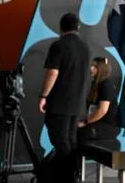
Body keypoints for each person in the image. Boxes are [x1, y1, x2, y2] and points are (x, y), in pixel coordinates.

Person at [38, 12, 91, 168]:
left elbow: (53, 72)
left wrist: (43, 95)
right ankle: (70, 176)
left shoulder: (59, 45)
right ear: (78, 27)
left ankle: (64, 176)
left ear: (61, 27)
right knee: (71, 139)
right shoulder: (85, 48)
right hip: (78, 103)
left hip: (59, 102)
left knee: (59, 139)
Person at [78, 56, 119, 143]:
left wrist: (86, 122)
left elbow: (102, 110)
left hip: (106, 127)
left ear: (102, 69)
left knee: (80, 134)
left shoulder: (106, 85)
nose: (91, 68)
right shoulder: (96, 85)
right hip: (97, 124)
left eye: (95, 66)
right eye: (91, 65)